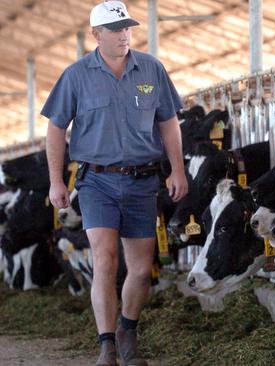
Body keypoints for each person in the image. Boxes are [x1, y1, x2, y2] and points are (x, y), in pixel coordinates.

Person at [42, 2, 188, 365]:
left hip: (142, 181)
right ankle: (106, 345)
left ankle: (127, 329)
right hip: (97, 182)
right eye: (115, 28)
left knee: (140, 269)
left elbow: (169, 121)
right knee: (105, 260)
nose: (124, 34)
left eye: (127, 27)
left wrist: (178, 169)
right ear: (96, 34)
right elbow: (56, 128)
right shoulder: (76, 75)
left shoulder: (151, 69)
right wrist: (55, 180)